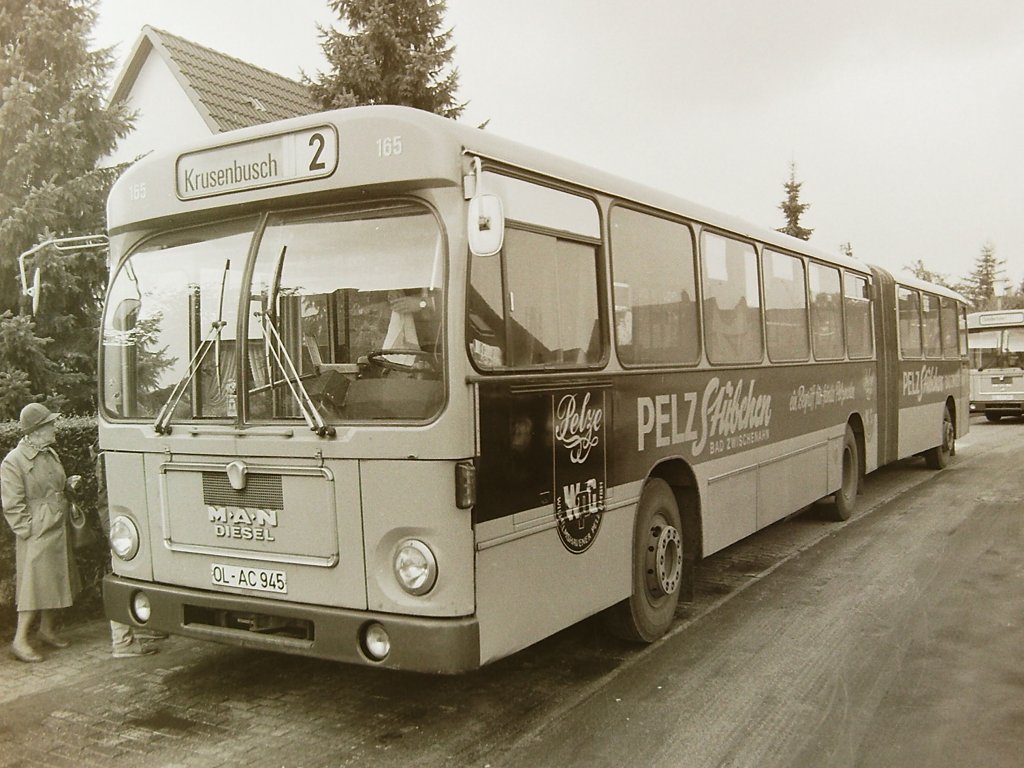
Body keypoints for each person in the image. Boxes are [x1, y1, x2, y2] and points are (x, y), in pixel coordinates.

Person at [1, 403, 81, 663]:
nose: (54, 428)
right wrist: (29, 529)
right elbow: (12, 504)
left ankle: (47, 631)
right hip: (38, 532)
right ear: (36, 431)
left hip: (57, 527)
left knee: (55, 581)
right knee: (33, 588)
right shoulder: (14, 461)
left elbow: (53, 485)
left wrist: (68, 484)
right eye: (49, 425)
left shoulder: (49, 453)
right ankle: (20, 641)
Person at [91, 441, 161, 658]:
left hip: (122, 519)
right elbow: (109, 494)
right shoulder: (109, 448)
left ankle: (147, 627)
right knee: (121, 572)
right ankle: (121, 642)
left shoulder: (108, 445)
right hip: (119, 521)